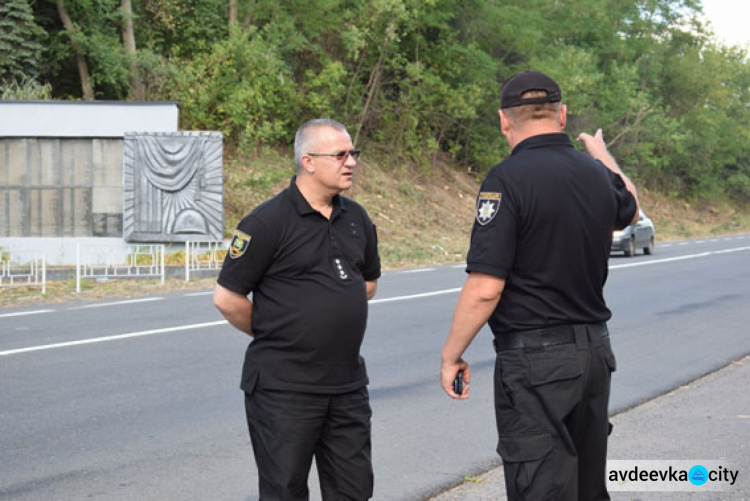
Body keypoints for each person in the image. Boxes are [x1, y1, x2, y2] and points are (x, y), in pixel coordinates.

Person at [440, 70, 639, 501]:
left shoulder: (506, 180)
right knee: (587, 488)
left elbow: (486, 287)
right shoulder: (596, 174)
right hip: (595, 356)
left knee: (542, 488)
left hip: (537, 363)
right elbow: (632, 208)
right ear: (562, 115)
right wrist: (602, 154)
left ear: (503, 120)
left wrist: (450, 354)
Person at [214, 118, 381, 501]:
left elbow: (367, 283)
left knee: (354, 490)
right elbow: (227, 297)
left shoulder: (356, 218)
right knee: (285, 491)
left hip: (346, 385)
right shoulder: (266, 222)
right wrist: (278, 331)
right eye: (340, 155)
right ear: (307, 161)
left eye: (352, 153)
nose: (351, 162)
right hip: (284, 389)